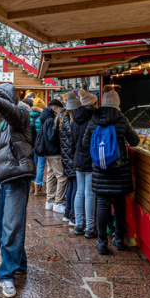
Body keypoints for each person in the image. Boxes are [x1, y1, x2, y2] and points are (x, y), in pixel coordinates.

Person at [0, 83, 35, 298]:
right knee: (2, 227)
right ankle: (19, 263)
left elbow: (14, 114)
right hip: (5, 180)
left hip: (17, 178)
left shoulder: (21, 116)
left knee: (11, 227)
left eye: (1, 97)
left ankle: (7, 275)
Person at [82, 90, 140, 255]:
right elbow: (135, 141)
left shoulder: (94, 119)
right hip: (119, 171)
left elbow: (86, 143)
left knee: (102, 204)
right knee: (119, 205)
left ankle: (101, 243)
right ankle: (119, 240)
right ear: (117, 103)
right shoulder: (122, 120)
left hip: (100, 170)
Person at [72, 89, 98, 238]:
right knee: (89, 194)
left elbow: (72, 143)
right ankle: (89, 227)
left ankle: (78, 225)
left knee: (79, 192)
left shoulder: (75, 120)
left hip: (78, 159)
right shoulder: (93, 120)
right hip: (89, 160)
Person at [36, 99, 67, 214]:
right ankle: (58, 202)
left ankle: (49, 201)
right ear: (54, 108)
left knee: (51, 176)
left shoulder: (45, 120)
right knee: (62, 177)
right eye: (59, 110)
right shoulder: (50, 121)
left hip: (49, 153)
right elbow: (52, 137)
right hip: (54, 153)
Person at [58, 94, 80, 225]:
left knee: (72, 185)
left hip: (66, 157)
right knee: (75, 186)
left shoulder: (63, 118)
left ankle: (67, 213)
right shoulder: (70, 121)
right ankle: (72, 216)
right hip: (71, 157)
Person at [28, 97, 45, 196]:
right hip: (40, 145)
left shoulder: (28, 116)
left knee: (33, 165)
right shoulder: (42, 118)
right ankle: (37, 187)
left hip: (31, 145)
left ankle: (31, 186)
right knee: (41, 166)